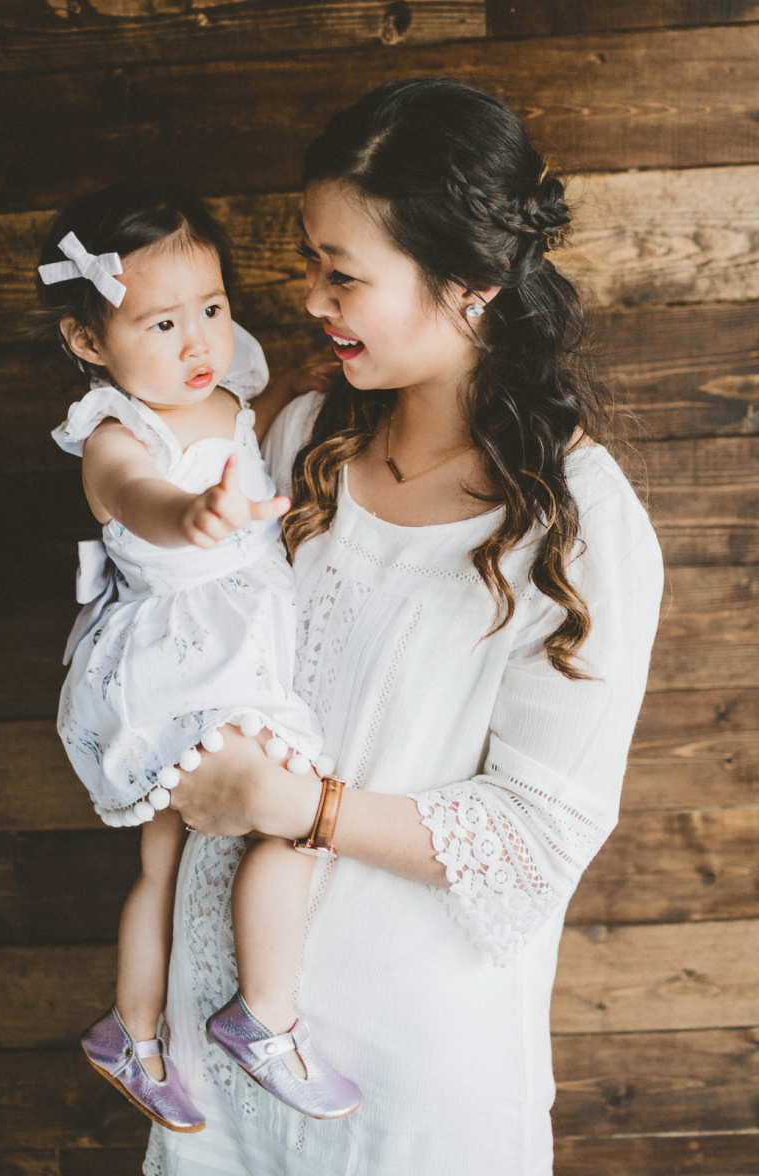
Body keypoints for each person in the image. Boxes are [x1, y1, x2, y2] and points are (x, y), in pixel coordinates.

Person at [145, 78, 664, 1175]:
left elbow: (537, 833)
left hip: (405, 1086)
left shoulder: (578, 527)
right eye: (307, 260)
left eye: (344, 274)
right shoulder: (294, 442)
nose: (311, 297)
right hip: (214, 1055)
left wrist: (298, 805)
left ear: (469, 283)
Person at [37, 181, 361, 1134]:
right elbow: (141, 499)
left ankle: (130, 1030)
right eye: (161, 322)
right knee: (290, 815)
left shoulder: (225, 390)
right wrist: (196, 515)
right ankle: (263, 1016)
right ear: (89, 343)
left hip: (241, 636)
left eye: (212, 310)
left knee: (168, 855)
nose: (197, 342)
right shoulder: (113, 436)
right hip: (179, 654)